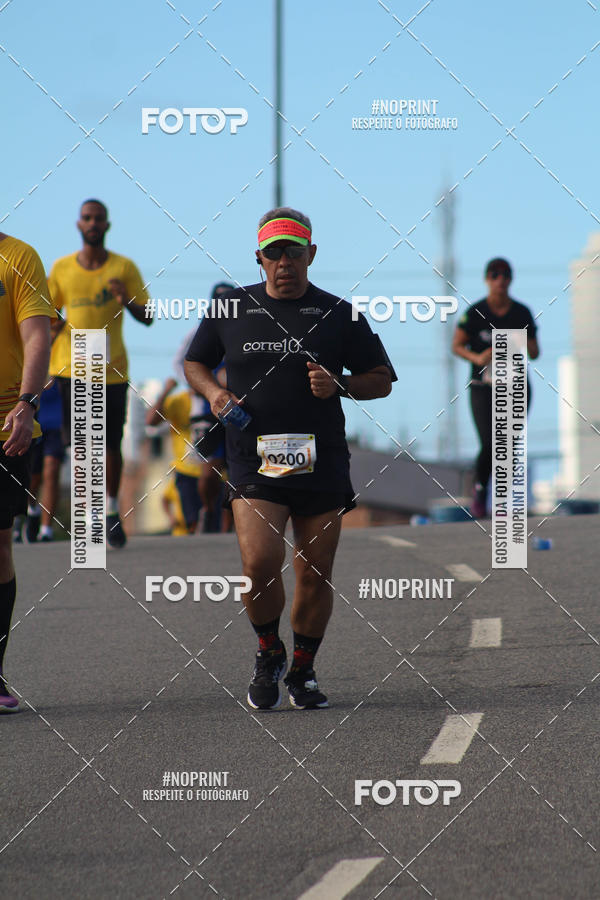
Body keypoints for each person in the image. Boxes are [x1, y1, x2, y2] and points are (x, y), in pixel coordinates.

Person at [184, 207, 394, 710]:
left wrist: (340, 384)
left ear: (311, 254)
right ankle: (268, 651)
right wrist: (213, 393)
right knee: (259, 563)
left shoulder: (340, 313)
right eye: (274, 253)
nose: (284, 262)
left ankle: (303, 670)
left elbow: (382, 379)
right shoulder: (230, 309)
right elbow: (194, 362)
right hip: (253, 459)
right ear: (259, 258)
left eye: (294, 252)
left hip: (321, 460)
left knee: (314, 570)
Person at [48, 199, 152, 547]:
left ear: (107, 225)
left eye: (98, 219)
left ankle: (110, 510)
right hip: (72, 367)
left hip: (112, 370)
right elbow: (47, 314)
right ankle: (90, 513)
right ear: (79, 225)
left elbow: (149, 316)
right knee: (81, 445)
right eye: (87, 218)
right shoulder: (62, 268)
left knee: (109, 443)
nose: (92, 223)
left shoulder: (123, 267)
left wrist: (126, 300)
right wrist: (53, 327)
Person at [0, 232, 55, 711]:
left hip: (5, 423)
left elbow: (37, 332)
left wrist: (27, 402)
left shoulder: (17, 256)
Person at [452, 257, 540, 518]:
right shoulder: (475, 312)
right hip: (483, 387)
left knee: (509, 443)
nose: (500, 280)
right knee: (490, 442)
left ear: (511, 279)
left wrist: (520, 339)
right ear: (486, 279)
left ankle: (503, 499)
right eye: (495, 275)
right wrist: (478, 357)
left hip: (515, 386)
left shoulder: (521, 312)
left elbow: (535, 352)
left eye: (505, 275)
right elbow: (456, 346)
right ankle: (480, 491)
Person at [173, 282, 233, 533]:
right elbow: (181, 364)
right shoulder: (199, 332)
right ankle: (208, 509)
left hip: (239, 408)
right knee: (209, 470)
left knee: (240, 469)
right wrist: (203, 387)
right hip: (206, 408)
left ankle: (232, 524)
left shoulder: (245, 329)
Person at [146, 376, 225, 534]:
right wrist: (166, 390)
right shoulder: (179, 400)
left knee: (217, 525)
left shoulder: (219, 399)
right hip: (186, 471)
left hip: (217, 473)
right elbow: (151, 421)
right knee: (192, 523)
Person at [13, 379, 65, 543]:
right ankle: (33, 510)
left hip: (56, 425)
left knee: (52, 471)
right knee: (32, 477)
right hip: (33, 423)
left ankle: (46, 530)